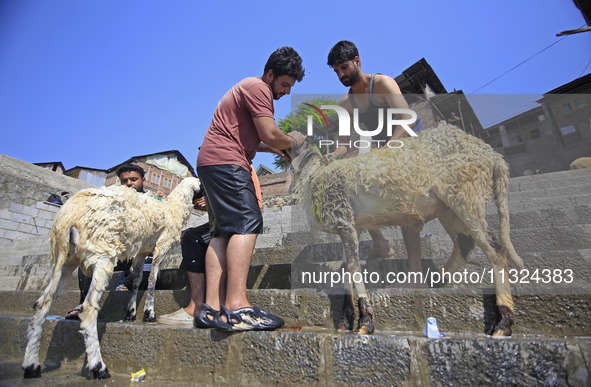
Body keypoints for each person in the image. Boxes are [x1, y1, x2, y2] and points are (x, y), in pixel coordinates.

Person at [195, 46, 306, 331]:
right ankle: (237, 306)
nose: (286, 92)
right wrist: (293, 141)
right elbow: (270, 133)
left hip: (211, 160)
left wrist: (276, 150)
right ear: (270, 74)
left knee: (222, 231)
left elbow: (253, 139)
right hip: (227, 161)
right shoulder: (259, 88)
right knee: (247, 222)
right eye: (284, 84)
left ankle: (210, 308)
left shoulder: (246, 87)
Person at [324, 40, 425, 281]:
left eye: (344, 67)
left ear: (357, 61)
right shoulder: (345, 103)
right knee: (353, 186)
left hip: (411, 141)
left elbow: (407, 119)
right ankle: (381, 244)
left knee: (402, 197)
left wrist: (387, 150)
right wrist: (332, 156)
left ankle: (416, 273)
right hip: (384, 151)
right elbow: (343, 144)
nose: (340, 74)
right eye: (336, 71)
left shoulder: (382, 83)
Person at [65, 163, 165, 319]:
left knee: (147, 269)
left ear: (143, 181)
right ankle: (84, 304)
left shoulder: (152, 199)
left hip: (141, 254)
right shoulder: (113, 199)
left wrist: (163, 200)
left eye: (134, 179)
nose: (129, 184)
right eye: (125, 180)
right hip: (117, 252)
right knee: (87, 257)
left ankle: (125, 282)